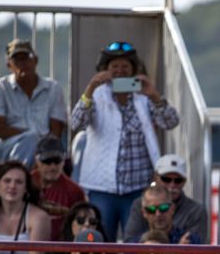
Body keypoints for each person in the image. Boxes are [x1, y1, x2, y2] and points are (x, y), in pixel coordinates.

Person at [71, 41, 180, 241]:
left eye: (125, 67)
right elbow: (76, 122)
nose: (119, 71)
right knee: (102, 241)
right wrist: (90, 87)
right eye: (114, 67)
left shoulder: (144, 97)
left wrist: (154, 94)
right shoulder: (96, 95)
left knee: (136, 242)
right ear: (104, 70)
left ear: (133, 70)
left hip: (137, 187)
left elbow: (171, 121)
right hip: (102, 188)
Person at [0, 39, 67, 166]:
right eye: (17, 60)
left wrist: (37, 143)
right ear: (9, 65)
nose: (23, 63)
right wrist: (31, 137)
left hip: (44, 150)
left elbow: (56, 132)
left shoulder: (53, 89)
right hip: (6, 149)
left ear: (35, 61)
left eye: (27, 58)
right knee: (31, 139)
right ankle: (21, 177)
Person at [125, 154, 210, 245]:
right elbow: (130, 244)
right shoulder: (139, 204)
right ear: (156, 178)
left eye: (178, 180)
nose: (172, 185)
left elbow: (195, 251)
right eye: (166, 179)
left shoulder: (196, 211)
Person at [38, 200, 121, 254]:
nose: (87, 224)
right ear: (71, 223)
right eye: (80, 220)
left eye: (92, 221)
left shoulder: (108, 253)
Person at [30, 137, 85, 238]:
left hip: (59, 247)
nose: (52, 167)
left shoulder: (74, 191)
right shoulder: (25, 183)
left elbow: (81, 226)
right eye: (47, 161)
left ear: (63, 161)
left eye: (57, 161)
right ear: (37, 161)